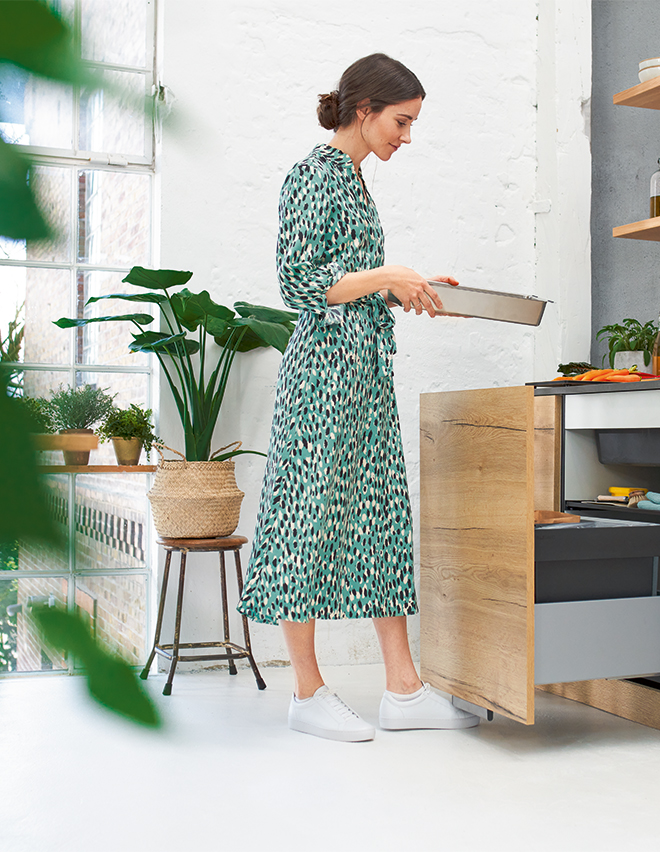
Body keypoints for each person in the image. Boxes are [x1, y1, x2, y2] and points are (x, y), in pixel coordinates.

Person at [237, 53, 478, 742]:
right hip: (322, 380)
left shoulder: (354, 180)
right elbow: (301, 284)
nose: (407, 135)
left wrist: (408, 287)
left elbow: (351, 282)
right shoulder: (313, 174)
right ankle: (306, 691)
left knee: (379, 515)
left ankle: (402, 688)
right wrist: (388, 274)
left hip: (364, 372)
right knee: (306, 517)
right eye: (402, 121)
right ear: (365, 110)